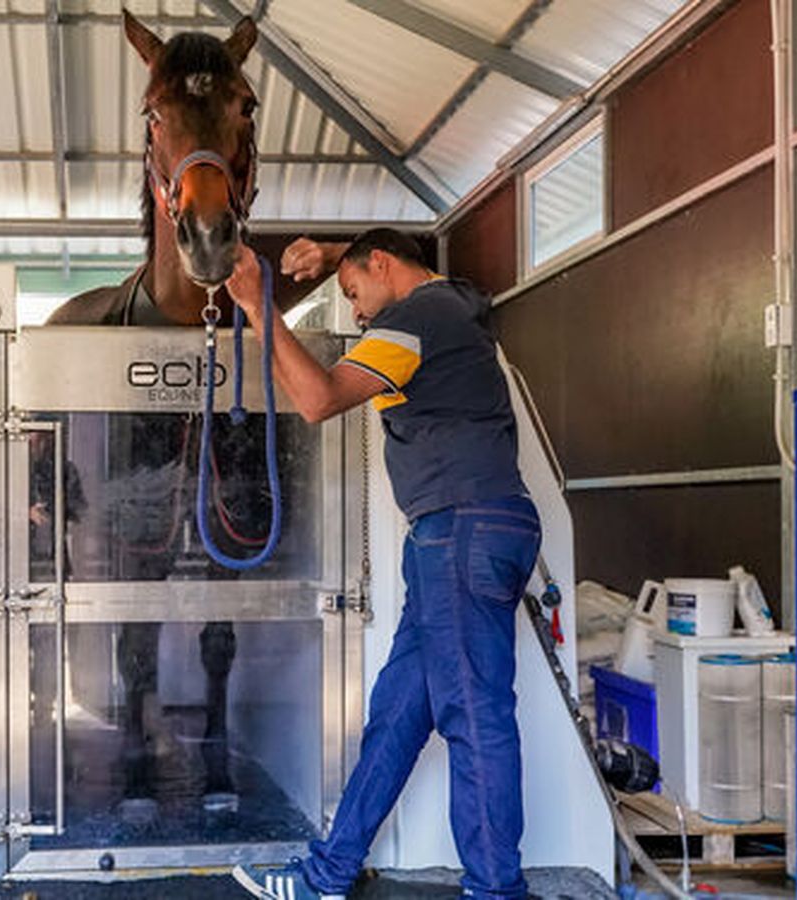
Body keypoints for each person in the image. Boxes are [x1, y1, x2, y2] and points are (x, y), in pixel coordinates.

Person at [227, 229, 542, 900]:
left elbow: (318, 399)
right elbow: (397, 254)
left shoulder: (417, 317)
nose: (356, 310)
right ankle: (329, 874)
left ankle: (496, 890)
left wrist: (259, 306)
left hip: (461, 528)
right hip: (461, 531)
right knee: (398, 714)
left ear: (382, 265)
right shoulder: (456, 304)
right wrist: (335, 256)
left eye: (352, 292)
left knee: (473, 715)